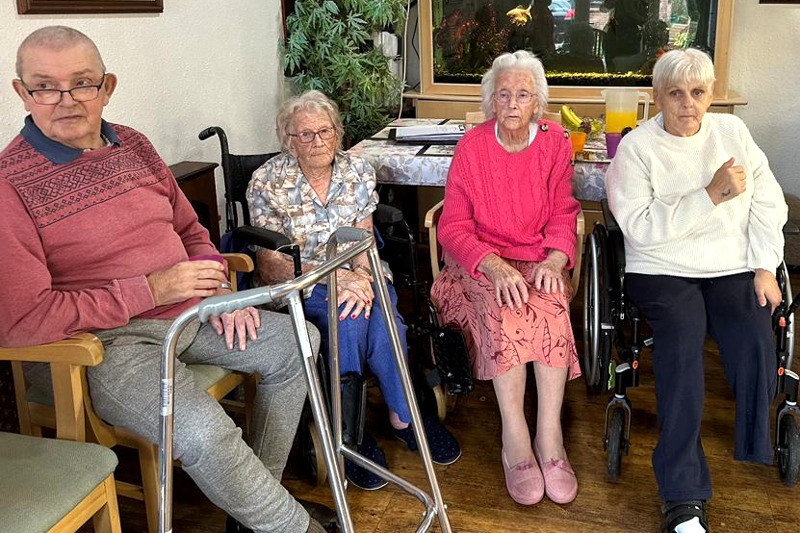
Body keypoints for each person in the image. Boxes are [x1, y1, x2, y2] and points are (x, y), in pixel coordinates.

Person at [0, 26, 337, 533]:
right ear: (22, 92)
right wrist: (151, 290)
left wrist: (220, 292)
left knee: (299, 344)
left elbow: (190, 229)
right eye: (45, 86)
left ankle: (256, 514)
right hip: (106, 344)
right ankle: (293, 527)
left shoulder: (133, 144)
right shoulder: (10, 184)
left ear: (107, 87)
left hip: (190, 313)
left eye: (83, 83)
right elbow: (22, 320)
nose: (65, 100)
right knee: (203, 430)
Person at [605, 49, 788, 533]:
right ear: (656, 97)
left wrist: (765, 265)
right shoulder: (637, 149)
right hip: (660, 267)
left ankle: (753, 442)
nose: (688, 104)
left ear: (711, 95)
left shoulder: (732, 134)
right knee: (683, 342)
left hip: (729, 264)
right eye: (676, 93)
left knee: (753, 329)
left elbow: (767, 202)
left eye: (699, 93)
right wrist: (709, 195)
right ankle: (683, 496)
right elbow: (640, 228)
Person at [247, 90, 462, 491]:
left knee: (381, 311)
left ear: (338, 132)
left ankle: (401, 417)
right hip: (302, 282)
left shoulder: (356, 172)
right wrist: (335, 278)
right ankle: (353, 433)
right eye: (305, 134)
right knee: (349, 316)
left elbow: (365, 241)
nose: (317, 142)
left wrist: (362, 280)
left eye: (325, 131)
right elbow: (271, 265)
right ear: (287, 140)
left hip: (357, 274)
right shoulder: (267, 182)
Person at [430, 50, 581, 506]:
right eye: (504, 94)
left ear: (538, 104)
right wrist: (492, 264)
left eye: (523, 95)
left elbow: (563, 211)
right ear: (492, 101)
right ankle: (514, 439)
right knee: (507, 308)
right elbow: (453, 226)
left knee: (551, 306)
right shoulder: (472, 146)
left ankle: (549, 438)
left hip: (538, 259)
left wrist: (555, 260)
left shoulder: (556, 143)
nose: (513, 103)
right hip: (479, 263)